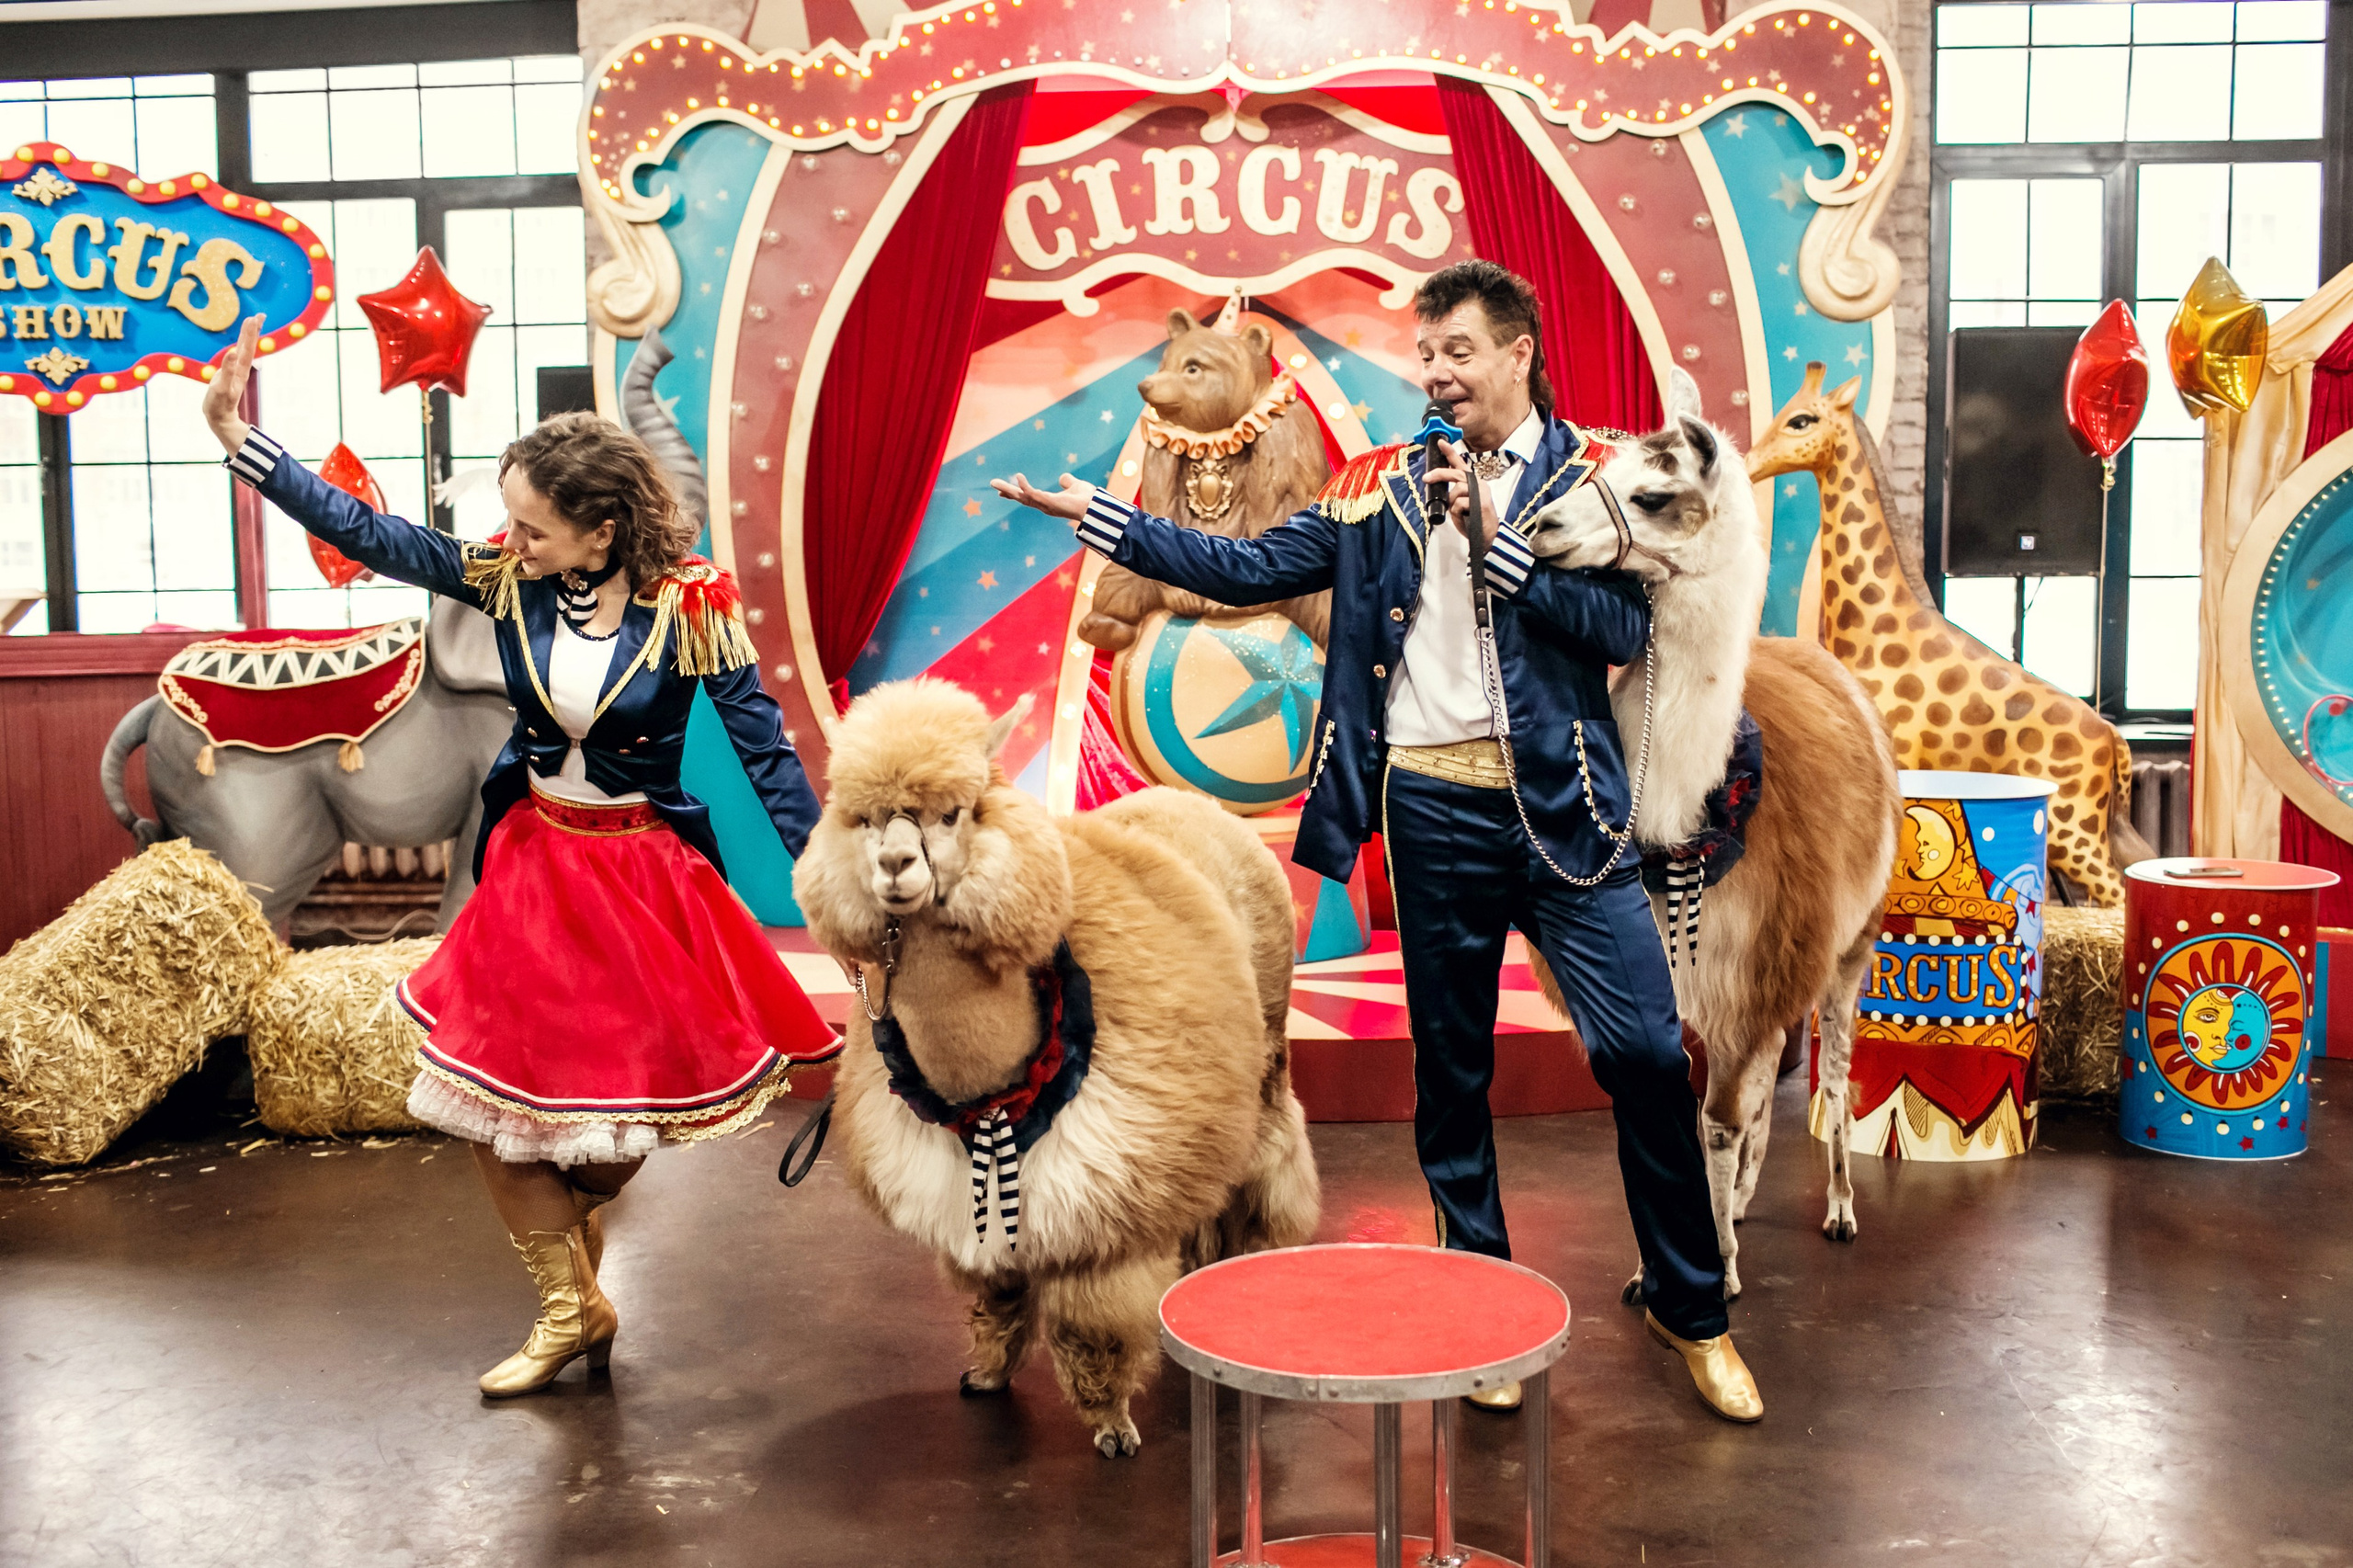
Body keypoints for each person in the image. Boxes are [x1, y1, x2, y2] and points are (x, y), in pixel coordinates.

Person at [992, 262, 1761, 1422]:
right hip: (1433, 811)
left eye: (1458, 350)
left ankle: (1690, 1307)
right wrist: (1106, 523)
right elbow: (1248, 564)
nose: (1438, 373)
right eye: (1428, 355)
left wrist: (1517, 565)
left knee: (1647, 1054)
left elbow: (1625, 623)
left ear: (1518, 352)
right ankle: (1484, 1305)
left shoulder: (1593, 476)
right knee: (1450, 1080)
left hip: (1569, 813)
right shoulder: (1381, 491)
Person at [204, 315, 840, 1397]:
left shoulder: (694, 605)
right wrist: (244, 443)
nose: (512, 540)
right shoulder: (511, 582)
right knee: (495, 1111)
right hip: (538, 872)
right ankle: (569, 1309)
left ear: (602, 531)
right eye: (509, 522)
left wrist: (838, 895)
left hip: (646, 881)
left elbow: (765, 749)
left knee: (607, 1141)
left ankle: (572, 1253)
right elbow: (377, 535)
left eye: (533, 526)